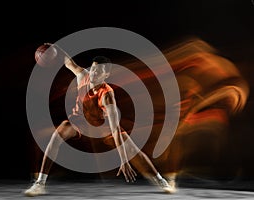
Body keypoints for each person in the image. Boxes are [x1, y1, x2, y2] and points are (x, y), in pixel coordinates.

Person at [24, 44, 175, 196]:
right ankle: (40, 183)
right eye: (93, 68)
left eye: (99, 71)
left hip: (102, 127)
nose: (94, 72)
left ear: (106, 75)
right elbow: (67, 60)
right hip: (80, 122)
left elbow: (115, 128)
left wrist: (123, 160)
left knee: (131, 148)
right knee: (57, 135)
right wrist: (54, 47)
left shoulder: (107, 95)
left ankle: (161, 181)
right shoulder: (82, 76)